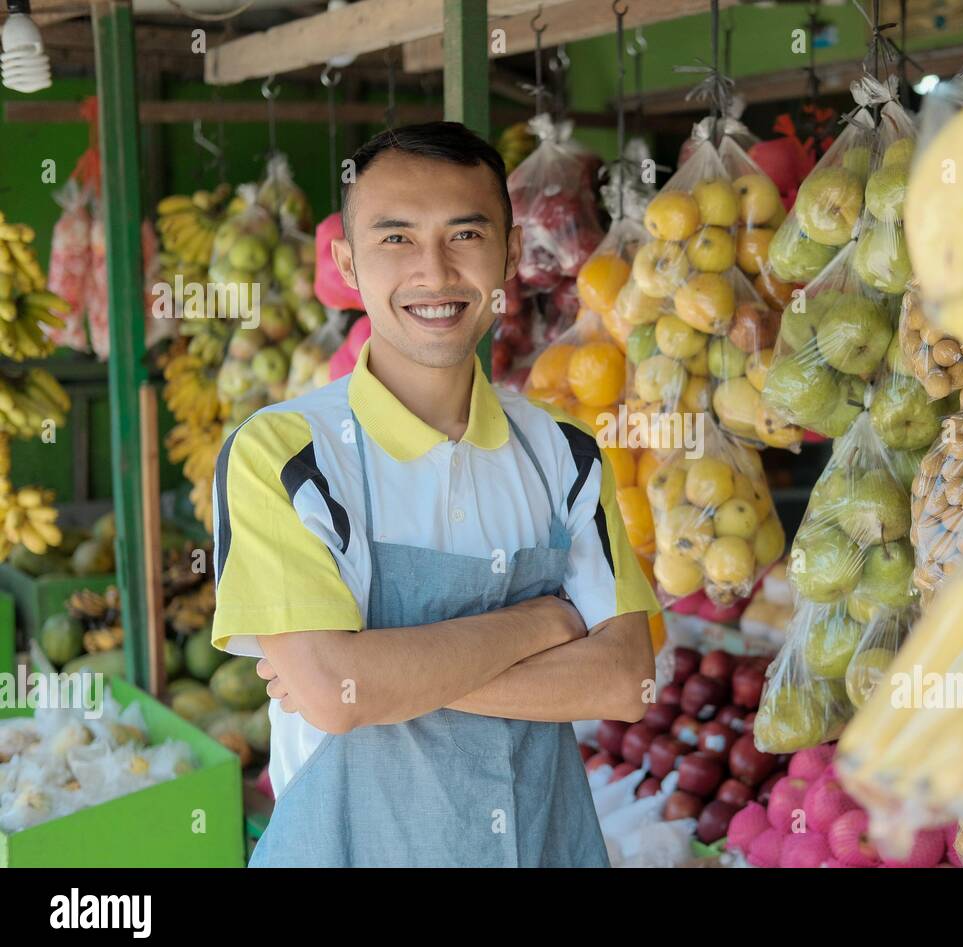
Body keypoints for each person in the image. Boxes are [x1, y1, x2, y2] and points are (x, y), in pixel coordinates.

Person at [210, 122, 658, 867]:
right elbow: (336, 694)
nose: (435, 272)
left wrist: (381, 677)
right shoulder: (283, 455)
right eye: (395, 239)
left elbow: (624, 679)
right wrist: (544, 622)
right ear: (348, 264)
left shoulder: (565, 452)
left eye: (465, 235)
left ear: (510, 257)